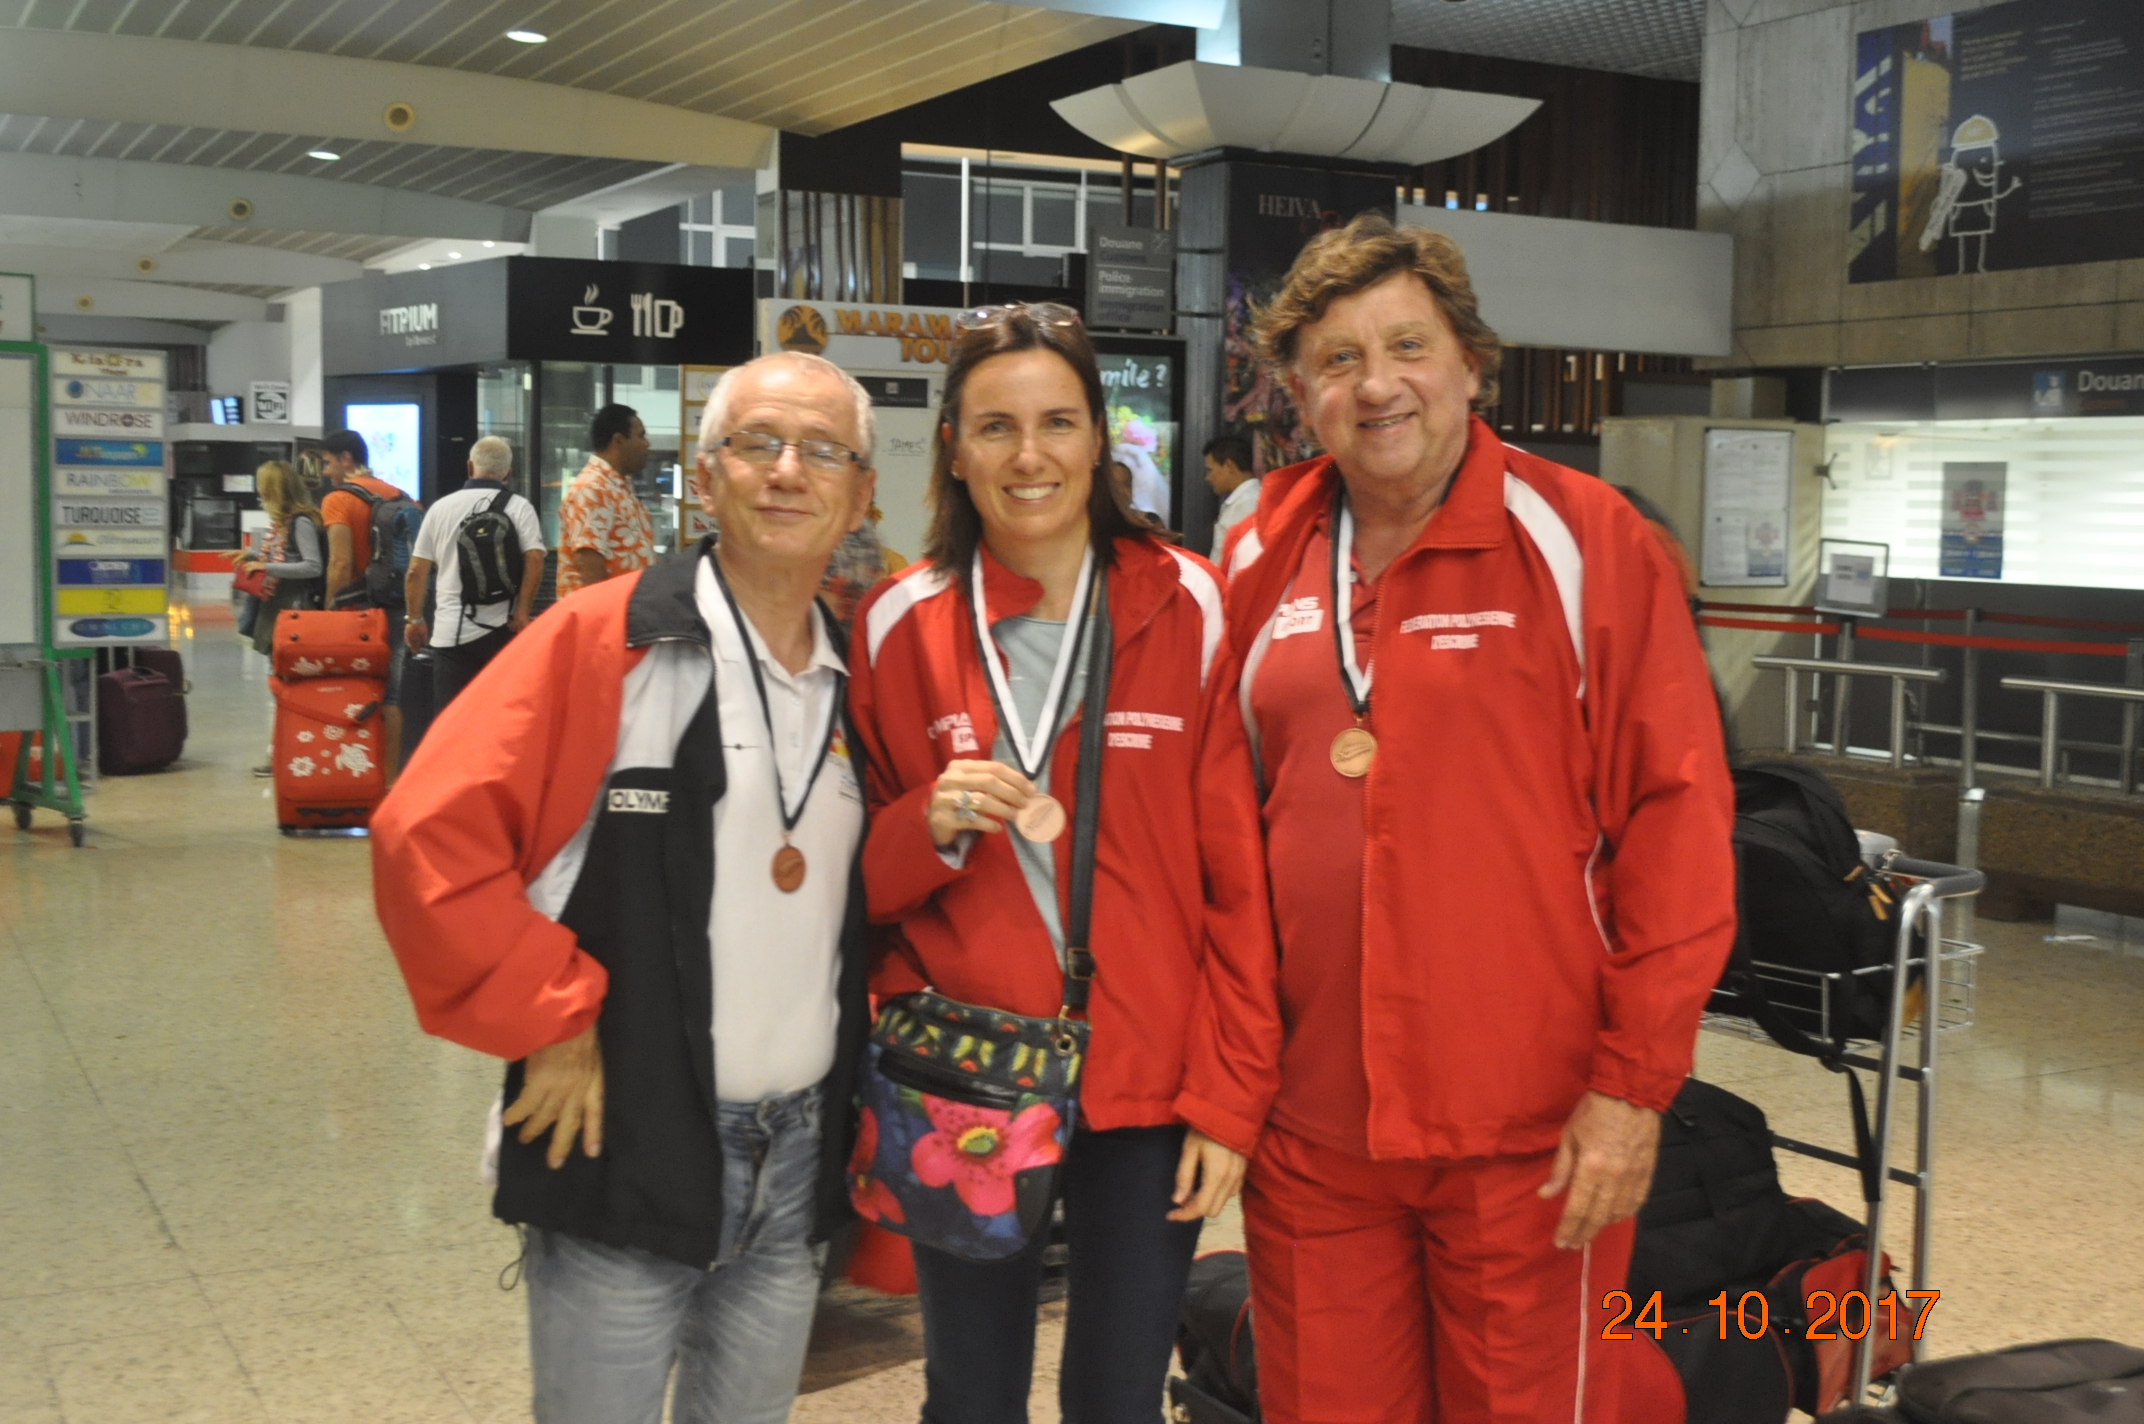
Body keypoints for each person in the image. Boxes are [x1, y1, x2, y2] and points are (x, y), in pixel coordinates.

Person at [1206, 214, 1736, 1423]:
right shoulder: (1256, 545)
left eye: (1405, 345)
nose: (1375, 383)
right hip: (1313, 1125)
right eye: (1336, 360)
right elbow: (1221, 824)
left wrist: (1632, 1087)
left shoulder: (1587, 539)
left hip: (1531, 1128)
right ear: (1298, 391)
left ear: (1469, 364)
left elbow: (1674, 820)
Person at [371, 351, 880, 1424]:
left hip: (794, 1162)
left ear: (859, 492)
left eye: (822, 449)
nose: (788, 471)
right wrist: (547, 1014)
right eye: (757, 443)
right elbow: (425, 833)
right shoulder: (604, 640)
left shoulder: (859, 676)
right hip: (621, 1134)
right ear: (706, 475)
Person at [847, 303, 1273, 1424]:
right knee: (970, 1395)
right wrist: (925, 826)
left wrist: (1230, 1096)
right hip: (969, 1071)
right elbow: (858, 885)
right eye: (994, 426)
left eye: (1056, 422)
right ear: (952, 444)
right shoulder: (899, 622)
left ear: (1100, 439)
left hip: (1149, 1073)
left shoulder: (1187, 602)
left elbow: (1238, 876)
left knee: (1118, 1395)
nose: (1027, 456)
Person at [404, 436, 546, 709]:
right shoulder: (519, 507)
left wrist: (415, 618)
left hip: (451, 634)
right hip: (503, 631)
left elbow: (415, 572)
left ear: (470, 467)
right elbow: (536, 559)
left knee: (452, 724)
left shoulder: (440, 508)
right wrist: (522, 612)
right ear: (508, 473)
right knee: (499, 719)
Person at [319, 429, 411, 781]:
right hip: (394, 607)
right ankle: (389, 782)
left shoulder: (338, 500)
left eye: (328, 462)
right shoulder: (399, 495)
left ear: (346, 458)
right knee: (391, 696)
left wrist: (328, 611)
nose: (326, 472)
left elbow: (340, 563)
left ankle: (350, 777)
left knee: (348, 692)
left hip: (354, 611)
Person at [232, 459, 324, 775]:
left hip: (293, 614)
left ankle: (281, 754)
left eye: (263, 484)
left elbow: (313, 566)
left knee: (284, 686)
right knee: (279, 685)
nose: (258, 490)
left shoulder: (300, 522)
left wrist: (265, 566)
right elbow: (290, 559)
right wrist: (256, 557)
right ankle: (282, 751)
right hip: (281, 612)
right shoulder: (285, 523)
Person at [556, 403, 656, 596]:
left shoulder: (614, 486)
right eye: (641, 436)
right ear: (618, 440)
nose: (646, 443)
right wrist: (604, 620)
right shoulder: (593, 488)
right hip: (603, 619)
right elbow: (589, 562)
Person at [1203, 433, 1258, 560]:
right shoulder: (1243, 500)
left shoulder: (1248, 503)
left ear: (1229, 466)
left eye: (1210, 470)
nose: (1208, 478)